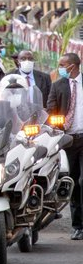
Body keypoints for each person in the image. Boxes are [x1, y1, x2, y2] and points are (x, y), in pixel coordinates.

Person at [46, 53, 83, 240]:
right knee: (73, 181)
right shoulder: (58, 85)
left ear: (74, 65)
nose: (60, 68)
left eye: (63, 64)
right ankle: (78, 226)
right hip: (68, 140)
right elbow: (50, 109)